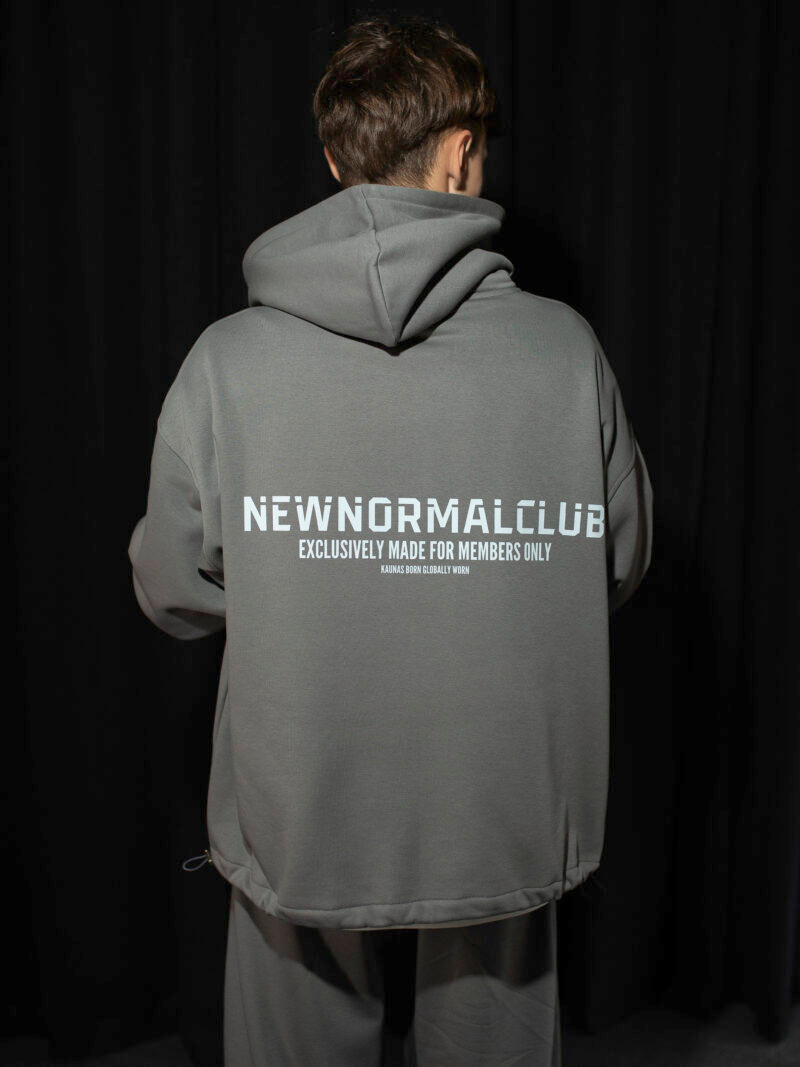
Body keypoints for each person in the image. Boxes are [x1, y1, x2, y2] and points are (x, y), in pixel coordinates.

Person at [128, 13, 654, 1067]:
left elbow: (171, 590)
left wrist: (305, 583)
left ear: (335, 163)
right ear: (461, 153)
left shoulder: (226, 361)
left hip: (302, 782)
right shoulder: (564, 352)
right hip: (498, 789)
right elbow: (615, 561)